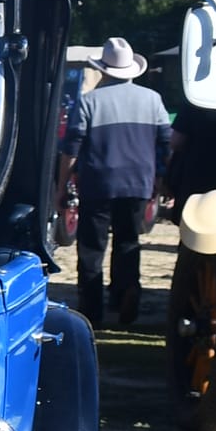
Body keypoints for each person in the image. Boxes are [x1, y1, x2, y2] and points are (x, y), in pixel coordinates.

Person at [71, 34, 172, 329]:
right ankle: (126, 291)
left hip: (98, 181)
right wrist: (160, 180)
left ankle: (92, 309)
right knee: (128, 241)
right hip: (138, 182)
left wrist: (61, 183)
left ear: (103, 69)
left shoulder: (90, 101)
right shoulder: (153, 100)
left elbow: (72, 147)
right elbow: (165, 143)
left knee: (92, 246)